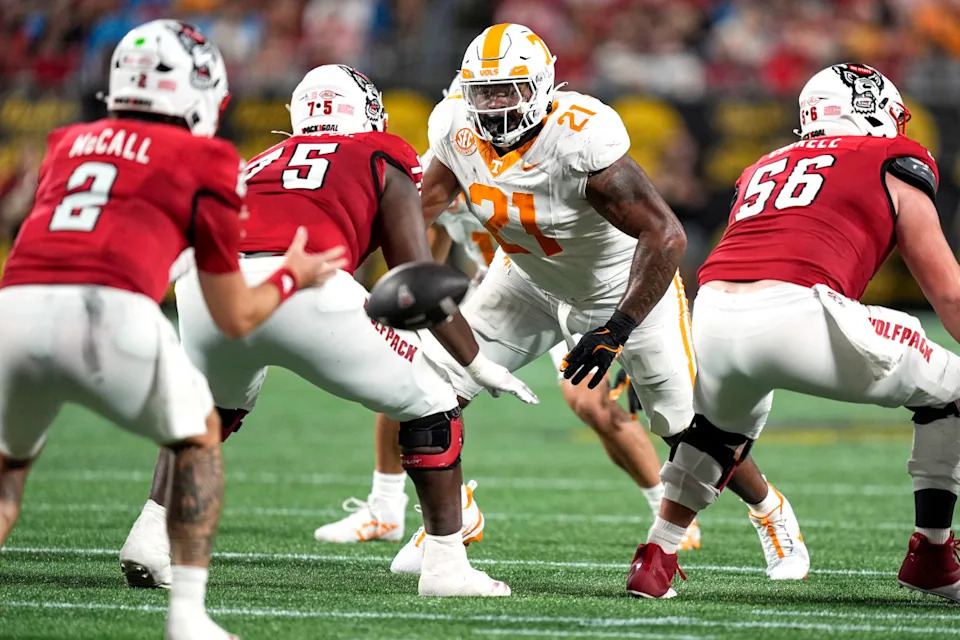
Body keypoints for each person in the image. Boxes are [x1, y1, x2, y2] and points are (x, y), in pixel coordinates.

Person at [383, 23, 808, 579]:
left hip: (622, 285)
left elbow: (667, 237)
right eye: (483, 91)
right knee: (426, 389)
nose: (492, 105)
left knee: (685, 427)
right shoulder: (455, 127)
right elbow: (422, 207)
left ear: (540, 87)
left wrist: (618, 326)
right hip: (528, 279)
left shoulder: (581, 136)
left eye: (506, 90)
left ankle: (770, 510)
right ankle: (450, 522)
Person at [119, 63, 537, 598]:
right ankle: (445, 567)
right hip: (305, 284)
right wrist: (478, 364)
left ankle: (149, 537)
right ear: (363, 111)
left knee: (209, 411)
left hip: (204, 286)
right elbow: (415, 281)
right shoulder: (381, 152)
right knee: (433, 401)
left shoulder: (257, 161)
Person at [0, 20, 346, 640]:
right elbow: (235, 314)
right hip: (110, 313)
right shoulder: (205, 157)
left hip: (14, 310)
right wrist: (291, 275)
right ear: (195, 89)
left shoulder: (67, 141)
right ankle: (186, 618)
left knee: (7, 484)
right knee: (200, 439)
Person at [627, 62, 960, 602]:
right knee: (953, 391)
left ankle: (657, 556)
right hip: (798, 311)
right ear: (870, 107)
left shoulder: (765, 165)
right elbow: (948, 294)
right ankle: (934, 554)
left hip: (711, 312)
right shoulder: (890, 158)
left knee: (716, 433)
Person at [315, 148, 703, 564]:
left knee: (594, 405)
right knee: (413, 377)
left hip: (561, 282)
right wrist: (424, 303)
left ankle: (667, 508)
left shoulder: (540, 158)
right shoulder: (447, 164)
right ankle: (388, 505)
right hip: (502, 294)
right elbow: (431, 247)